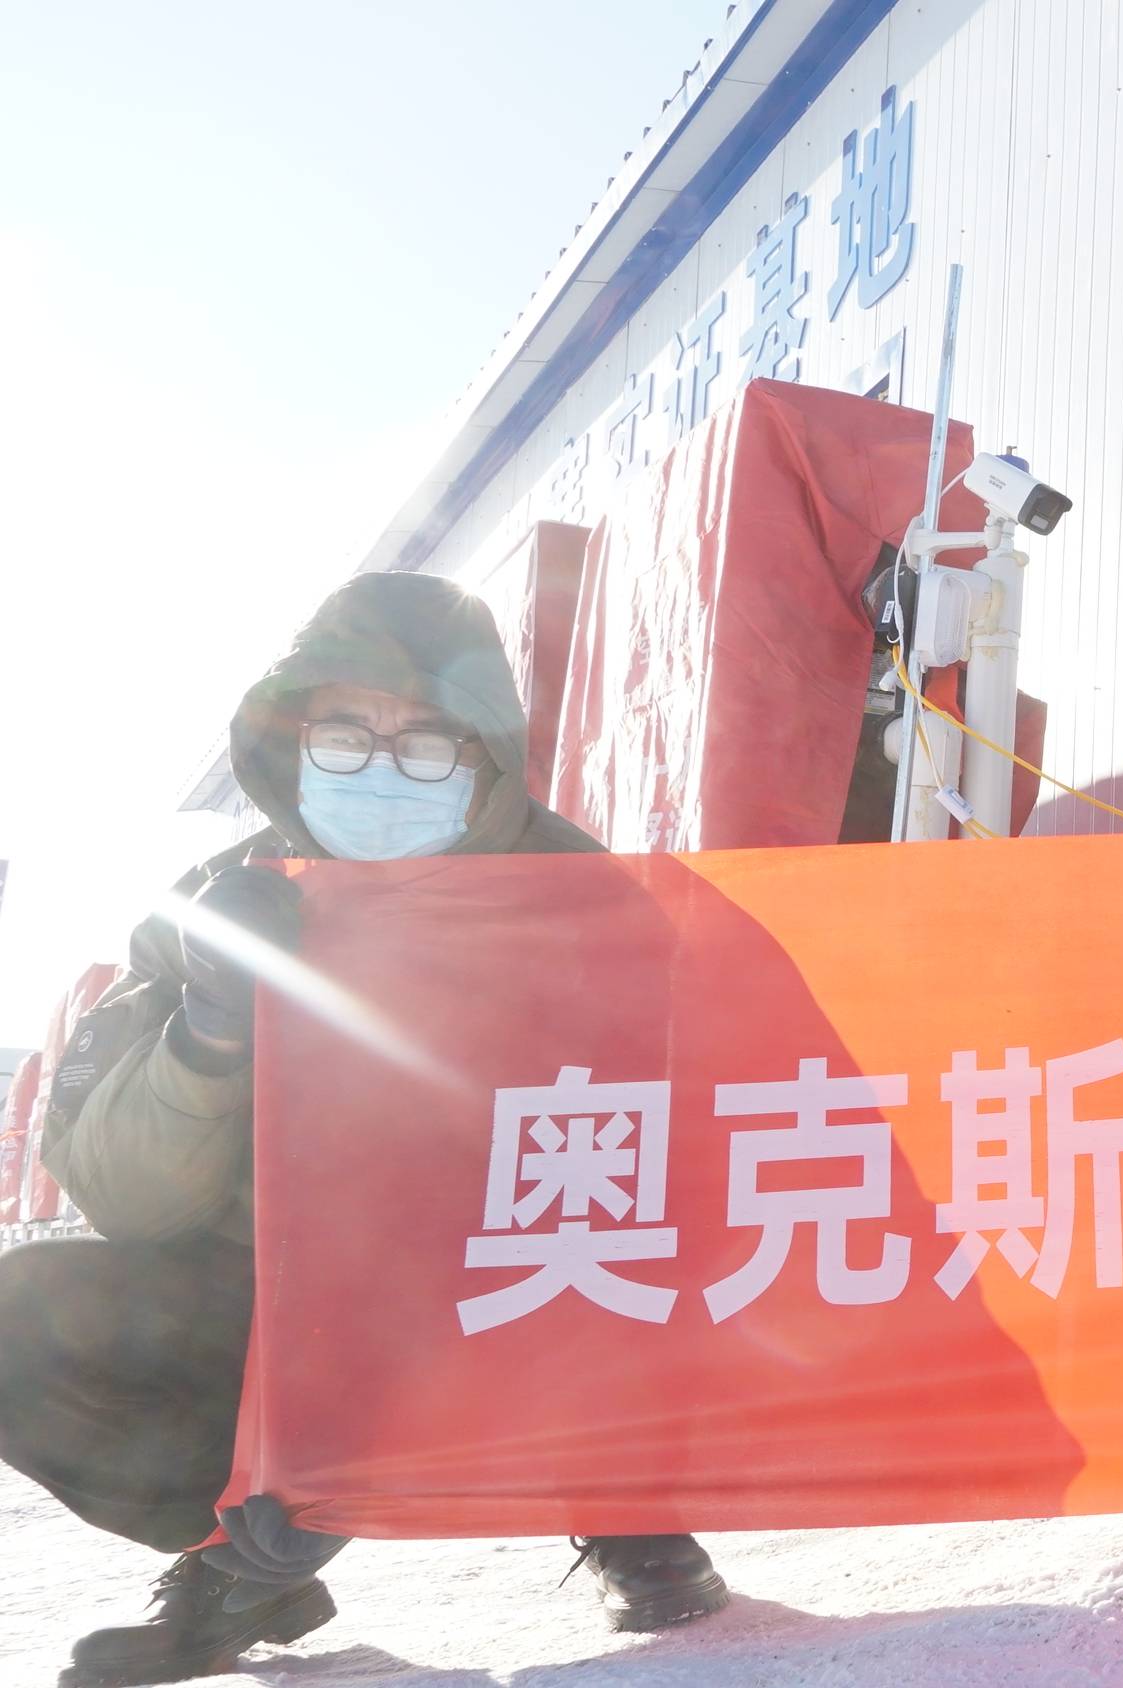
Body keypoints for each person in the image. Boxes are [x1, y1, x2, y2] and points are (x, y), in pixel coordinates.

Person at [0, 574, 732, 1687]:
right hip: (292, 1299)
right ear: (291, 739)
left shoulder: (587, 902)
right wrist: (210, 1032)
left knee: (654, 1244)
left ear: (484, 755)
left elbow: (706, 1137)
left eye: (425, 738)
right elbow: (126, 1196)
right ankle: (240, 1554)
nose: (382, 767)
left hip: (516, 1277)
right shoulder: (213, 905)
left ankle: (626, 1497)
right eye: (346, 732)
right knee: (19, 1316)